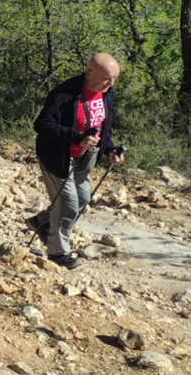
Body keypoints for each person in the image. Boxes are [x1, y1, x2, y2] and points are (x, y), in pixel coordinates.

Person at [26, 53, 124, 270]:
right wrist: (76, 136)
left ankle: (42, 222)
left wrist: (110, 149)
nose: (112, 83)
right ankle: (57, 252)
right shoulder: (64, 94)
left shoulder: (106, 92)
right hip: (58, 156)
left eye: (115, 78)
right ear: (89, 73)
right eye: (108, 78)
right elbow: (42, 124)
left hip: (86, 157)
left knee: (83, 197)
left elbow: (101, 126)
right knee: (68, 204)